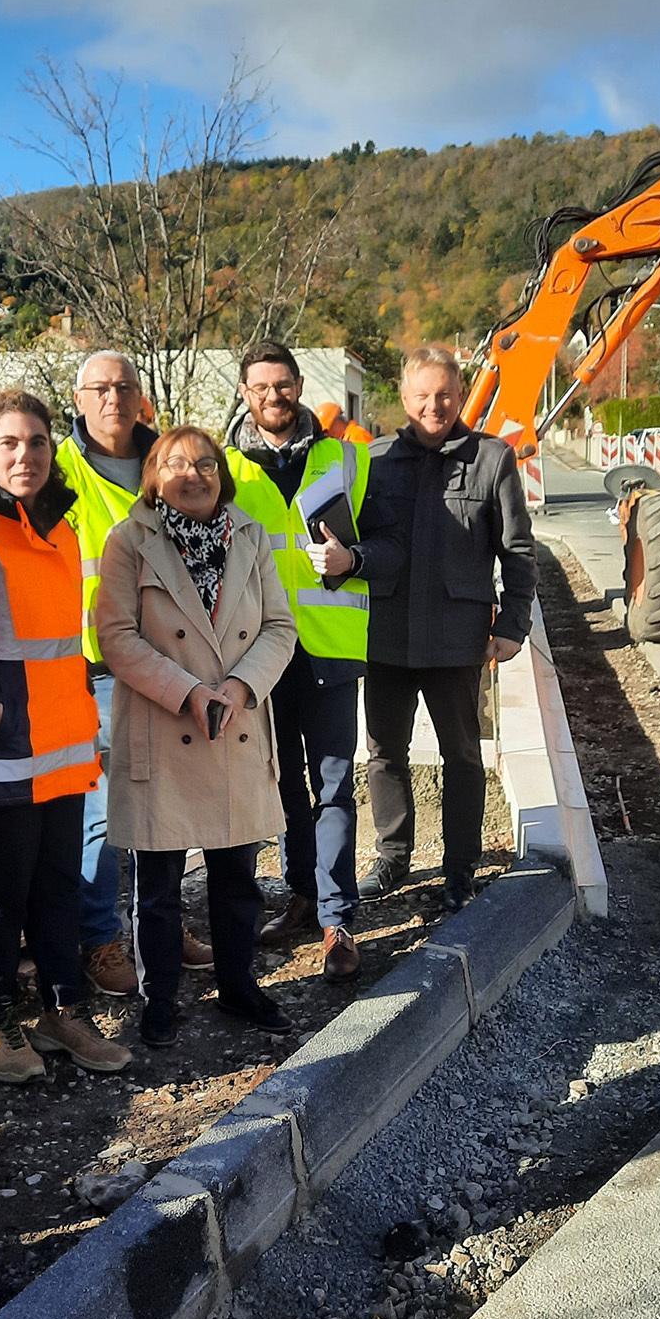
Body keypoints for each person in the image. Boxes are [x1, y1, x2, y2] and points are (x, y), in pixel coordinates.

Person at [0, 391, 130, 1081]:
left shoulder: (60, 529)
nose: (25, 456)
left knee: (58, 889)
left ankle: (62, 1012)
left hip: (63, 746)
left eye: (37, 443)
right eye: (9, 443)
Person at [96, 427, 296, 1048]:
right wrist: (187, 693)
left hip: (233, 725)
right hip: (165, 725)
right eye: (176, 462)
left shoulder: (250, 535)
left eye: (206, 462)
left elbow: (280, 627)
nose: (194, 473)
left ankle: (239, 985)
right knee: (156, 889)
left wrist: (237, 689)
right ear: (153, 474)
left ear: (222, 475)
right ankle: (159, 1001)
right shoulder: (129, 542)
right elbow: (117, 637)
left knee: (237, 878)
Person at [226, 341, 402, 982]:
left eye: (283, 384)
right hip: (256, 654)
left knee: (331, 786)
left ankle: (337, 919)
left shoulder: (347, 461)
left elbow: (391, 545)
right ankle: (303, 895)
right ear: (244, 393)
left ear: (299, 385)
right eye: (260, 386)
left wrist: (354, 561)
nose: (274, 396)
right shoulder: (223, 472)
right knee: (281, 785)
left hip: (328, 647)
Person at [56, 349, 212, 996]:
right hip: (94, 668)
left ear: (140, 395)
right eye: (99, 388)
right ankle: (100, 941)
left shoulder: (164, 462)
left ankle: (159, 924)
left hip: (169, 663)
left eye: (123, 386)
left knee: (164, 807)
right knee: (106, 813)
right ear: (79, 398)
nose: (113, 398)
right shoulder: (57, 470)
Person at [363, 344, 536, 913]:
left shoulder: (493, 459)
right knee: (385, 750)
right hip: (385, 635)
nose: (433, 406)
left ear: (460, 395)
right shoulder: (377, 460)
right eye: (422, 396)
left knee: (462, 754)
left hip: (457, 638)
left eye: (444, 395)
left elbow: (516, 551)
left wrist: (512, 624)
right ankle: (393, 856)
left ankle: (459, 867)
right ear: (404, 398)